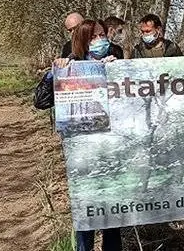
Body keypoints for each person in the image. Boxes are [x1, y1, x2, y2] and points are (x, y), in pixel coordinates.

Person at [54, 18, 123, 251]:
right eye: (93, 37)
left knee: (111, 212)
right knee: (85, 212)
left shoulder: (115, 61)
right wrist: (55, 73)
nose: (99, 40)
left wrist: (118, 69)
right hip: (82, 155)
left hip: (110, 148)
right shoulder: (70, 64)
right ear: (82, 40)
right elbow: (42, 101)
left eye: (102, 34)